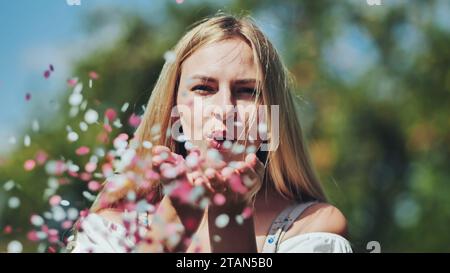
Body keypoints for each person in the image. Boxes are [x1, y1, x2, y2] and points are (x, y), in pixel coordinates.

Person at [68, 12, 352, 253]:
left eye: (247, 91)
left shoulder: (312, 227)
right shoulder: (114, 230)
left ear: (273, 113)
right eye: (203, 89)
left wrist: (231, 213)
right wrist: (177, 214)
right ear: (173, 108)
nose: (225, 109)